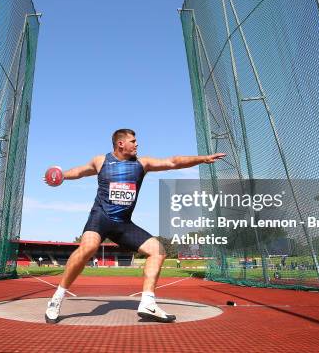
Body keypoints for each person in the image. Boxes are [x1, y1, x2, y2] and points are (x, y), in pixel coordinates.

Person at [44, 128, 225, 323]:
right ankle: (56, 298)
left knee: (158, 250)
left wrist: (202, 158)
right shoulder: (101, 161)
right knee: (88, 247)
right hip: (101, 218)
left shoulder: (142, 164)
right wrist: (62, 176)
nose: (137, 144)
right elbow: (79, 171)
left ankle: (148, 303)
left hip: (123, 224)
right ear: (120, 143)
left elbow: (173, 161)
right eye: (133, 141)